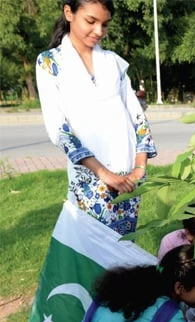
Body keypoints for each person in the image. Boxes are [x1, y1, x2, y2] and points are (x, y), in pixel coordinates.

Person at [36, 0, 156, 235]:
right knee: (90, 257)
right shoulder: (50, 62)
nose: (99, 31)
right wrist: (104, 174)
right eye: (91, 21)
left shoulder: (113, 62)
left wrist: (139, 168)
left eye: (105, 24)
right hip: (90, 180)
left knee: (122, 255)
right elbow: (59, 130)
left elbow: (137, 117)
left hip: (129, 176)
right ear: (69, 12)